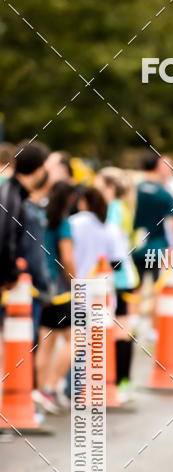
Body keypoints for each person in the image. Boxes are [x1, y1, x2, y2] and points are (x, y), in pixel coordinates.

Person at [95, 167, 139, 398]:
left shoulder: (114, 208)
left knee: (121, 329)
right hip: (121, 275)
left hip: (118, 277)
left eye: (98, 185)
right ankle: (120, 381)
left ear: (110, 188)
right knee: (121, 327)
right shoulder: (121, 206)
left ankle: (121, 381)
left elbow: (110, 241)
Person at [34, 181, 77, 413]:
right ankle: (49, 389)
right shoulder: (62, 222)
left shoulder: (39, 216)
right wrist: (75, 282)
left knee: (46, 342)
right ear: (70, 198)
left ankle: (41, 393)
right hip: (60, 290)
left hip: (41, 288)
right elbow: (67, 258)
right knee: (77, 339)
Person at [0, 141, 49, 291]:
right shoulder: (12, 196)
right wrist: (11, 275)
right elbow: (5, 237)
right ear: (39, 171)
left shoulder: (12, 193)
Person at [132, 152, 173, 284]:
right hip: (158, 249)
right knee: (157, 288)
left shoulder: (133, 191)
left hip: (136, 247)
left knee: (135, 288)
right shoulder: (165, 195)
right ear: (158, 167)